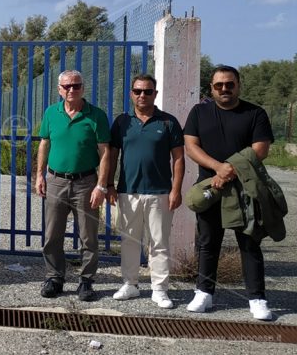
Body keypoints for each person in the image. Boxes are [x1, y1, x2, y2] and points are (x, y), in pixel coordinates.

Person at [184, 65, 275, 321]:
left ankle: (257, 299)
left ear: (238, 85)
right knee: (208, 242)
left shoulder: (255, 113)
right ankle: (204, 293)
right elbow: (191, 145)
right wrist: (217, 169)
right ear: (211, 88)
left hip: (246, 189)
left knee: (249, 243)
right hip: (210, 187)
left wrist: (230, 170)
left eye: (230, 84)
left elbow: (261, 149)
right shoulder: (199, 112)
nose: (224, 89)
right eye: (219, 85)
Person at [107, 74, 184, 309]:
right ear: (131, 94)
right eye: (138, 91)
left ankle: (159, 290)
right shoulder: (122, 122)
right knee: (129, 240)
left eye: (147, 91)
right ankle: (130, 284)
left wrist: (176, 190)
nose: (142, 95)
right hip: (128, 191)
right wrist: (109, 184)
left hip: (160, 191)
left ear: (155, 94)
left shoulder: (168, 122)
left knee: (159, 243)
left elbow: (178, 159)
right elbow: (111, 155)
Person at [34, 70, 110, 301]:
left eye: (76, 86)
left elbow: (105, 152)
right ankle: (54, 277)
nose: (71, 90)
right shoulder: (51, 113)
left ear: (82, 88)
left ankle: (86, 281)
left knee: (88, 236)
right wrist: (39, 175)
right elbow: (44, 144)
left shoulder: (96, 115)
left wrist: (101, 186)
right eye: (66, 86)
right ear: (59, 89)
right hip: (56, 180)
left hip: (86, 182)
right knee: (52, 234)